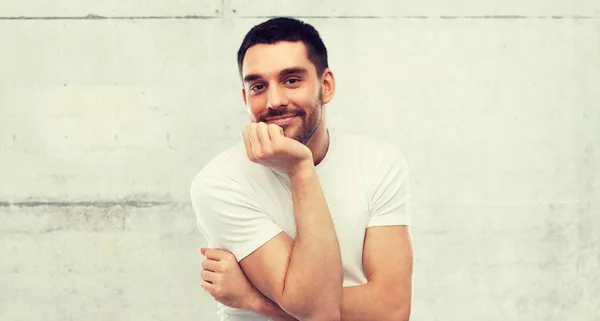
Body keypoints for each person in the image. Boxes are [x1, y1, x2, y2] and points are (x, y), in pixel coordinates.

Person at [190, 17, 414, 321]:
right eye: (258, 86)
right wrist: (301, 169)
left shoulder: (378, 161)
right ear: (245, 98)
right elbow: (318, 310)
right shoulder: (219, 183)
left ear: (326, 86)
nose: (274, 101)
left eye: (291, 80)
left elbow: (391, 310)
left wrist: (254, 299)